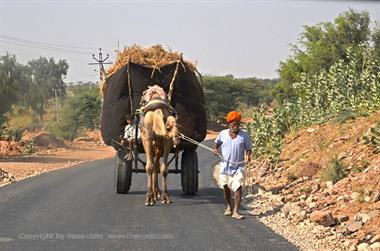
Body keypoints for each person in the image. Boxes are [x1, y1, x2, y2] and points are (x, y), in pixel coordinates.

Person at [214, 111, 252, 220]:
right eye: (233, 124)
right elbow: (217, 143)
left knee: (238, 187)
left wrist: (247, 156)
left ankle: (236, 211)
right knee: (225, 186)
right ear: (229, 124)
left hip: (238, 167)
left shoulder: (244, 135)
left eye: (237, 124)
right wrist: (216, 149)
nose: (235, 126)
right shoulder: (223, 133)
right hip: (225, 166)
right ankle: (228, 207)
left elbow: (249, 149)